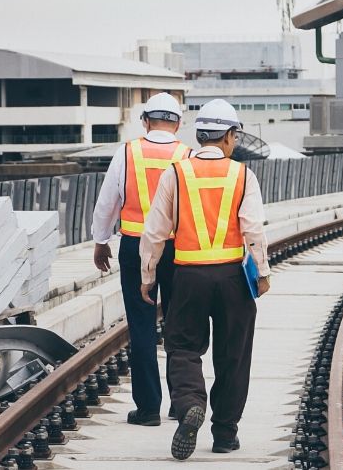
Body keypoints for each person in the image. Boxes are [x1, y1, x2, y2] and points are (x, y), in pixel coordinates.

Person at [138, 99, 271, 460]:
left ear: (199, 136)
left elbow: (154, 232)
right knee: (234, 354)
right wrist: (262, 272)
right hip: (232, 278)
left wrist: (148, 275)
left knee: (182, 348)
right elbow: (254, 229)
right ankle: (225, 433)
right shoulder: (243, 175)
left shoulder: (175, 173)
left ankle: (189, 404)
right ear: (229, 136)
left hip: (187, 277)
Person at [89, 92, 188, 427]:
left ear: (145, 121)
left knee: (142, 326)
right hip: (177, 250)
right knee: (178, 325)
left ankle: (148, 410)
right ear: (178, 123)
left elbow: (107, 203)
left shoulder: (127, 152)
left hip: (135, 246)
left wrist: (101, 241)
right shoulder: (187, 156)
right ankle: (181, 402)